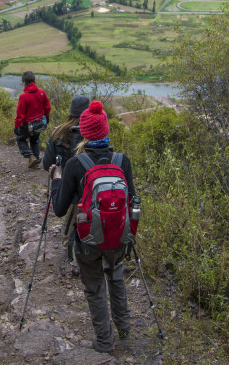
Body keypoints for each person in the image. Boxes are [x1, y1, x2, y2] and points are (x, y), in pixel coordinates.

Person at [49, 100, 134, 353]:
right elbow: (130, 200)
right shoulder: (122, 160)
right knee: (116, 277)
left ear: (83, 132)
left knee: (95, 287)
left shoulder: (76, 164)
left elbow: (60, 210)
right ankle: (125, 329)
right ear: (106, 131)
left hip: (88, 241)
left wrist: (57, 180)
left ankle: (104, 341)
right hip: (119, 236)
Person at [42, 95, 90, 265]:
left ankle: (73, 258)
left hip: (63, 187)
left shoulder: (58, 133)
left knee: (69, 224)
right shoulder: (91, 135)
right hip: (88, 190)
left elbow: (47, 163)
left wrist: (57, 173)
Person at [13, 71, 50, 169]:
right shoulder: (41, 92)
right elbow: (47, 107)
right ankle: (36, 163)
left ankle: (31, 156)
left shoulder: (24, 96)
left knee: (20, 139)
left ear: (24, 82)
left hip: (27, 125)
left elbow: (20, 114)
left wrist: (17, 126)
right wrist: (47, 118)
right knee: (35, 141)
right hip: (38, 123)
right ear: (34, 80)